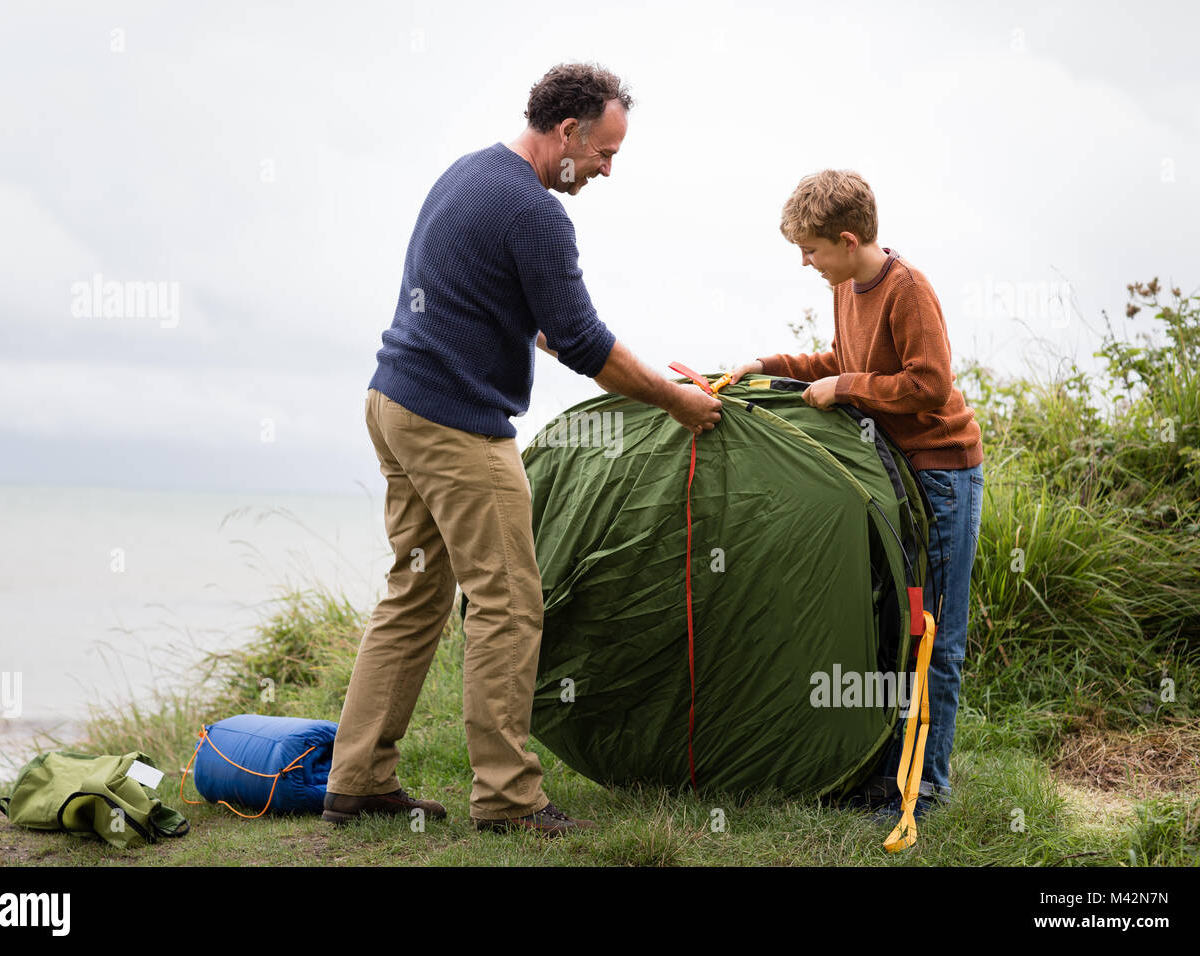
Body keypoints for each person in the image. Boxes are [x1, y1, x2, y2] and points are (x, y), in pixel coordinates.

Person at [323, 63, 722, 837]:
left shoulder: (470, 175)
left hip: (395, 403)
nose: (609, 168)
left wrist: (618, 356)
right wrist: (674, 400)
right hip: (454, 424)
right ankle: (507, 798)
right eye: (605, 151)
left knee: (414, 594)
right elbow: (579, 342)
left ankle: (359, 779)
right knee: (508, 602)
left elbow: (524, 313)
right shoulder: (536, 213)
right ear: (567, 131)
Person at [727, 169, 984, 818]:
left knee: (934, 635)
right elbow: (841, 361)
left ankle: (924, 785)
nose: (804, 262)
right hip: (891, 473)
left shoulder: (908, 291)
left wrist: (846, 390)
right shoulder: (846, 287)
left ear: (847, 239)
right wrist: (772, 366)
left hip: (942, 474)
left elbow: (926, 386)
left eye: (810, 250)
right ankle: (884, 770)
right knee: (889, 627)